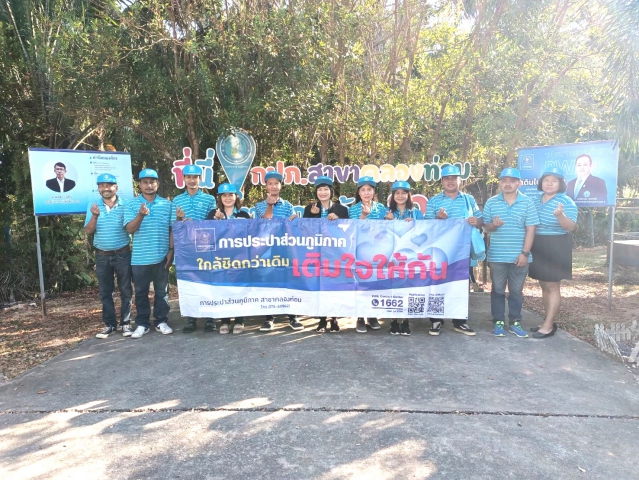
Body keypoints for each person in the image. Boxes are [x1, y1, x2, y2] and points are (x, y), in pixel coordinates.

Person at [425, 165, 482, 336]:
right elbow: (427, 226)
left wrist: (476, 221)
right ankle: (436, 320)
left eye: (454, 178)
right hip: (440, 251)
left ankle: (460, 321)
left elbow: (480, 220)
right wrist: (438, 219)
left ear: (460, 180)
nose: (450, 181)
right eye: (447, 178)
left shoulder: (468, 199)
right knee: (436, 284)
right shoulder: (434, 201)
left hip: (462, 252)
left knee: (462, 284)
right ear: (442, 181)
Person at [483, 167, 540, 338]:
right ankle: (498, 321)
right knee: (498, 290)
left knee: (516, 291)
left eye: (512, 181)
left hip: (519, 256)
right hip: (497, 256)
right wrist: (494, 225)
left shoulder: (527, 202)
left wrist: (525, 253)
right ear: (500, 183)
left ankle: (515, 322)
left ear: (519, 183)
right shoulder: (491, 202)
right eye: (504, 181)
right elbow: (486, 227)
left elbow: (531, 230)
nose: (507, 184)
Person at [124, 168, 176, 339]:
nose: (149, 185)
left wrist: (171, 250)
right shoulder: (132, 204)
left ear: (157, 184)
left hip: (161, 256)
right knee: (141, 293)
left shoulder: (167, 204)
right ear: (139, 184)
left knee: (162, 292)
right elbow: (130, 229)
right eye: (145, 182)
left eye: (152, 182)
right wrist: (140, 215)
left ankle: (161, 321)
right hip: (140, 258)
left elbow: (172, 229)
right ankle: (142, 324)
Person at [528, 167, 578, 339]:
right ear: (541, 182)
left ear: (561, 184)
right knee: (543, 284)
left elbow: (570, 227)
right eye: (546, 180)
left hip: (556, 244)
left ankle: (548, 325)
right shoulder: (534, 200)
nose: (549, 183)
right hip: (537, 243)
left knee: (552, 285)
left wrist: (560, 215)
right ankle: (547, 321)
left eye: (554, 181)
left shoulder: (566, 201)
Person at [84, 173, 133, 338]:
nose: (106, 188)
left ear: (116, 187)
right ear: (98, 188)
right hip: (102, 256)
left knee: (126, 290)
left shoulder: (126, 204)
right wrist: (95, 216)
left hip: (123, 254)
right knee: (106, 292)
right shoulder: (93, 205)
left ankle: (126, 324)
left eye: (109, 185)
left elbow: (130, 227)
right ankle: (110, 325)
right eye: (102, 185)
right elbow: (88, 231)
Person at [255, 171, 303, 332]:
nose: (273, 186)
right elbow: (263, 225)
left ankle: (293, 317)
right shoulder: (259, 206)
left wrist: (293, 222)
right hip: (266, 250)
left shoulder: (288, 206)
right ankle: (269, 318)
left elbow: (292, 227)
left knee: (287, 280)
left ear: (281, 186)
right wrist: (269, 206)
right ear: (266, 186)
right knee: (267, 281)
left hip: (284, 248)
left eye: (276, 183)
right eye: (270, 183)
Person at [173, 164, 218, 334]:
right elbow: (174, 225)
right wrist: (180, 220)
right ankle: (191, 318)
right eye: (189, 177)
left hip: (205, 246)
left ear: (200, 179)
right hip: (186, 248)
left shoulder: (209, 199)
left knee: (208, 282)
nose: (192, 180)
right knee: (190, 283)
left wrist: (195, 225)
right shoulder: (177, 200)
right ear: (183, 179)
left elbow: (212, 222)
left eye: (195, 177)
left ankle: (210, 318)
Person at [303, 175, 349, 333]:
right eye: (319, 189)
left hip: (335, 254)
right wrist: (313, 216)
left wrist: (338, 220)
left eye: (326, 189)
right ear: (316, 192)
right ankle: (322, 319)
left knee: (334, 286)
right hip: (316, 254)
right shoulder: (309, 209)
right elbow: (305, 230)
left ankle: (334, 318)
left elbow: (348, 231)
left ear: (331, 191)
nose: (322, 192)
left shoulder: (342, 209)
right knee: (319, 287)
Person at [207, 183, 251, 334]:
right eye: (224, 195)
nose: (228, 198)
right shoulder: (213, 214)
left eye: (230, 195)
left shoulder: (244, 214)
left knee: (239, 289)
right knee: (223, 289)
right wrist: (218, 222)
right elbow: (208, 236)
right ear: (219, 198)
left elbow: (249, 236)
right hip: (220, 259)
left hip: (240, 258)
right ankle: (224, 321)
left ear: (236, 197)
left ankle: (239, 320)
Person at [385, 180, 424, 336]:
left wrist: (415, 224)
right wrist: (386, 222)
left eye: (403, 193)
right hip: (391, 255)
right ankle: (394, 320)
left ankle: (406, 320)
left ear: (409, 195)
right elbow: (377, 232)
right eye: (397, 193)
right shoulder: (387, 213)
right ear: (393, 196)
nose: (400, 196)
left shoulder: (416, 213)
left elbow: (425, 231)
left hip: (410, 256)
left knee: (408, 286)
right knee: (393, 286)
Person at [349, 176, 387, 333]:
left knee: (375, 284)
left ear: (373, 192)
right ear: (359, 192)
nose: (366, 193)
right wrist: (363, 217)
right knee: (361, 283)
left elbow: (386, 229)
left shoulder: (381, 208)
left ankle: (372, 315)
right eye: (363, 190)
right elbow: (352, 230)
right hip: (360, 251)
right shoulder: (353, 209)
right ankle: (360, 318)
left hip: (378, 252)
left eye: (369, 190)